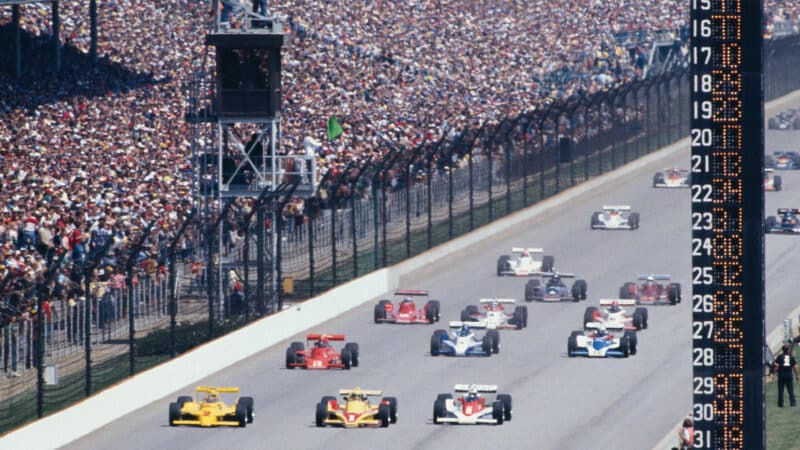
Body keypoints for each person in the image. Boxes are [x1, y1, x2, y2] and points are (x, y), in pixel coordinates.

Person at [773, 343, 799, 407]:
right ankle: (793, 404)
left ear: (783, 349)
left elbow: (776, 366)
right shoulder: (791, 356)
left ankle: (781, 404)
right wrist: (797, 375)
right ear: (788, 349)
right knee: (790, 391)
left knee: (781, 391)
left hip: (781, 375)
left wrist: (773, 373)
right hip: (789, 375)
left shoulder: (779, 356)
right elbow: (795, 367)